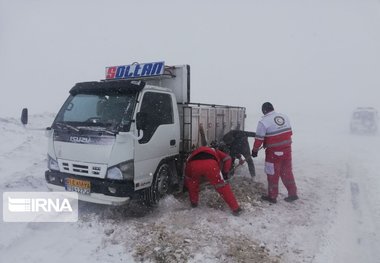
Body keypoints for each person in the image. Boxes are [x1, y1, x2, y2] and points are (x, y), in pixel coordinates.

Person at [251, 102, 298, 203]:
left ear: (264, 111)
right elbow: (289, 133)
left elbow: (259, 139)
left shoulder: (263, 122)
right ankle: (293, 193)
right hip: (287, 150)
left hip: (273, 153)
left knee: (272, 174)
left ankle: (272, 196)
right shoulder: (284, 117)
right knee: (287, 172)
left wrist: (254, 150)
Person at [184, 146, 242, 216]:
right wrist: (225, 172)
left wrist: (187, 185)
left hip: (194, 165)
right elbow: (228, 158)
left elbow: (187, 172)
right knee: (222, 186)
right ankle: (235, 208)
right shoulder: (215, 151)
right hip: (211, 165)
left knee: (193, 182)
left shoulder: (194, 153)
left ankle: (194, 203)